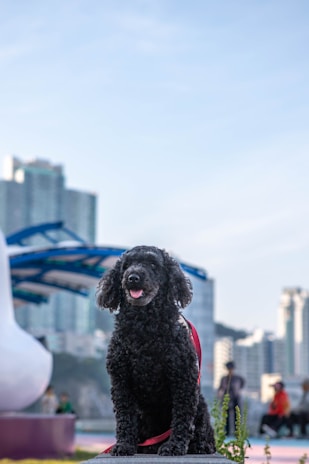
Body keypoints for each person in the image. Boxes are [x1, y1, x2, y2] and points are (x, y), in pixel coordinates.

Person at [217, 361, 245, 435]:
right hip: (226, 399)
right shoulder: (224, 379)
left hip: (236, 399)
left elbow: (241, 386)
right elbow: (220, 389)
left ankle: (237, 432)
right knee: (226, 417)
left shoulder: (238, 378)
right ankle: (227, 432)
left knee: (237, 416)